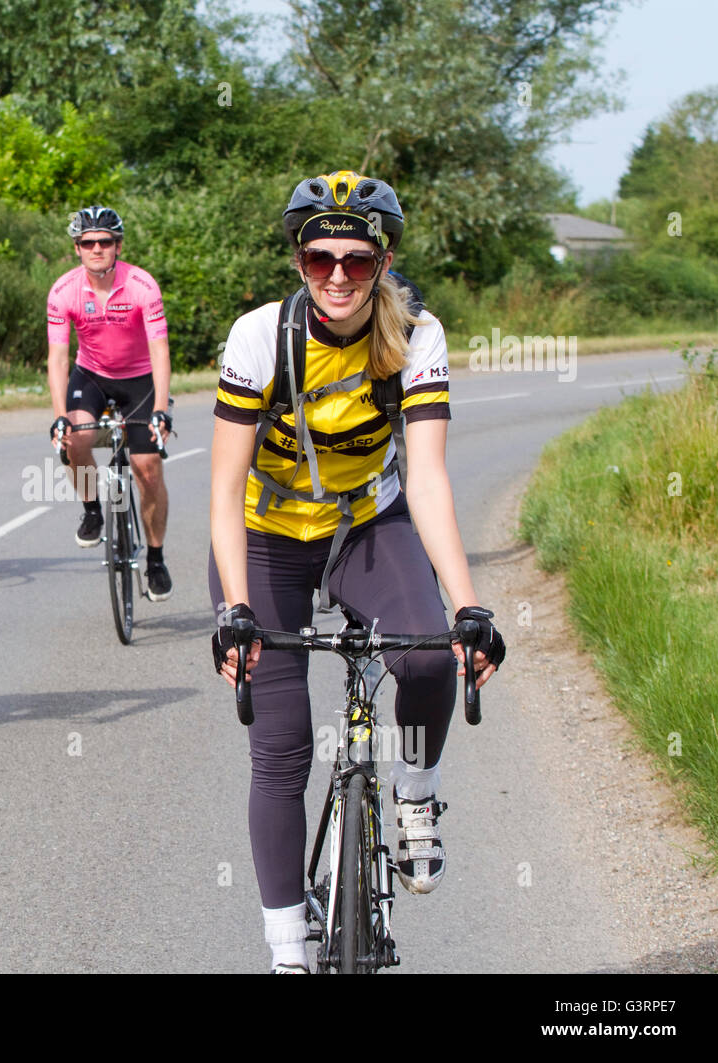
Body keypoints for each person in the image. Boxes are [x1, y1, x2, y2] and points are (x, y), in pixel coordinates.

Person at [208, 171, 506, 972]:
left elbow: (431, 479)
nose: (337, 275)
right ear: (298, 262)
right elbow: (224, 486)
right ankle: (287, 948)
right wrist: (236, 608)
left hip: (363, 525)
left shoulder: (416, 336)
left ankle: (415, 789)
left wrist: (470, 607)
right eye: (318, 258)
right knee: (283, 745)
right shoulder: (259, 337)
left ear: (383, 261)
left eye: (356, 259)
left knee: (426, 656)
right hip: (265, 536)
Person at [46, 206, 175, 600]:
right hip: (92, 376)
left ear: (118, 245)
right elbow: (57, 359)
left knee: (147, 467)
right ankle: (92, 509)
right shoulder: (64, 291)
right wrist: (59, 418)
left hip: (139, 379)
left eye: (105, 241)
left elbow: (159, 351)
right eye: (89, 243)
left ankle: (155, 558)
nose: (97, 248)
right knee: (76, 442)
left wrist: (160, 408)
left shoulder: (142, 285)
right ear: (77, 248)